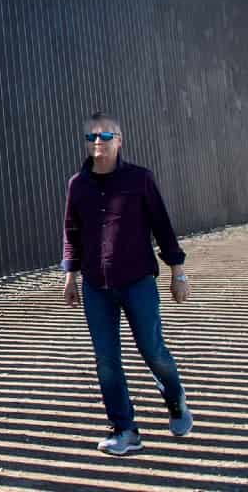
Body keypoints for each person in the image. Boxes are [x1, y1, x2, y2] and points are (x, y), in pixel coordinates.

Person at [61, 111, 193, 455]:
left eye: (106, 136)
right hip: (95, 286)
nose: (98, 142)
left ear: (120, 140)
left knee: (152, 350)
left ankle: (175, 396)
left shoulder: (140, 179)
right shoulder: (78, 185)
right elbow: (72, 233)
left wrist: (178, 272)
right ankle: (125, 429)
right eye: (92, 137)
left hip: (137, 281)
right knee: (106, 360)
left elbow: (162, 226)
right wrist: (70, 277)